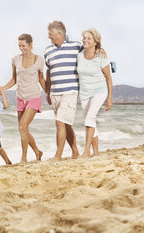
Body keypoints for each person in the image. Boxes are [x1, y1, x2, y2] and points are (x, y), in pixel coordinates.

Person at [0, 33, 45, 163]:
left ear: (30, 45)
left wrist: (48, 92)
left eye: (24, 45)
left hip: (34, 97)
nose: (21, 48)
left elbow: (41, 79)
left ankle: (23, 158)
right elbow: (14, 79)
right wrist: (4, 88)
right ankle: (37, 152)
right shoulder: (15, 59)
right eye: (19, 45)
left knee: (22, 126)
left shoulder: (39, 60)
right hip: (20, 97)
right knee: (23, 128)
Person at [44, 21, 81, 161]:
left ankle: (58, 156)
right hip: (55, 93)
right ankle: (75, 152)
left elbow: (91, 51)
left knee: (59, 122)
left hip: (70, 91)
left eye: (50, 34)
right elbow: (49, 73)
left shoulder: (76, 46)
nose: (49, 37)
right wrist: (47, 92)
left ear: (60, 34)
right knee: (65, 123)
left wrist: (101, 50)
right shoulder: (48, 51)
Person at [77, 28, 113, 157]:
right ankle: (96, 152)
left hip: (99, 90)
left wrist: (110, 98)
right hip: (85, 92)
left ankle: (86, 151)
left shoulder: (101, 56)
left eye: (89, 38)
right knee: (90, 121)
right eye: (84, 38)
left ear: (95, 42)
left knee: (89, 118)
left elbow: (109, 78)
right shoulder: (79, 55)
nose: (85, 40)